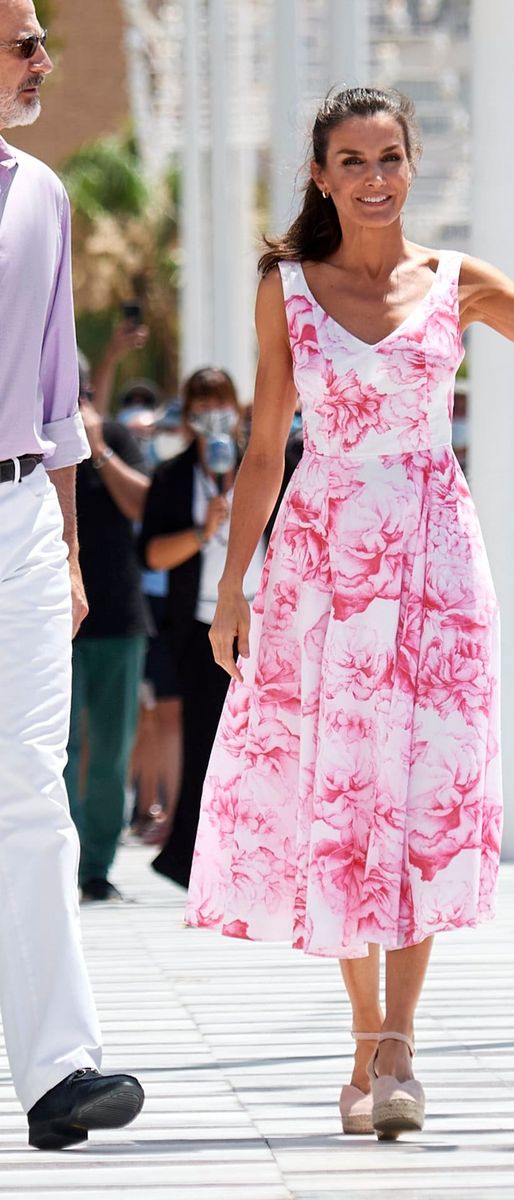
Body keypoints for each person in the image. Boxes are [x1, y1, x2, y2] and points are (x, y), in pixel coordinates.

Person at [184, 87, 514, 1139]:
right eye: (350, 161)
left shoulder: (458, 285)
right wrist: (233, 584)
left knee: (424, 797)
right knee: (344, 798)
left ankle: (400, 1040)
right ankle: (368, 1042)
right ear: (320, 175)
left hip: (437, 565)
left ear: (411, 163)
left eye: (389, 157)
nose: (373, 178)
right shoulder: (289, 290)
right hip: (322, 566)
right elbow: (265, 452)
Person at [0, 0, 143, 1148]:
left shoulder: (41, 196)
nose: (44, 58)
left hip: (19, 525)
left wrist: (66, 544)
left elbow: (58, 402)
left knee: (31, 791)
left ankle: (59, 1071)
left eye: (43, 38)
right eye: (22, 41)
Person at [138, 368, 265, 888]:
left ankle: (257, 855)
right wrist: (202, 531)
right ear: (188, 416)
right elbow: (152, 554)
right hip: (200, 625)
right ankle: (191, 859)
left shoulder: (262, 463)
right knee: (205, 744)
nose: (214, 414)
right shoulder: (171, 478)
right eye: (202, 405)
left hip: (264, 618)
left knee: (265, 741)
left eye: (222, 403)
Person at [64, 358, 152, 901]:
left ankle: (96, 866)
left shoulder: (115, 435)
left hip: (118, 618)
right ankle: (61, 862)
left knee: (113, 750)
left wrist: (98, 448)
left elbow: (143, 504)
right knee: (61, 748)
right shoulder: (28, 443)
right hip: (55, 618)